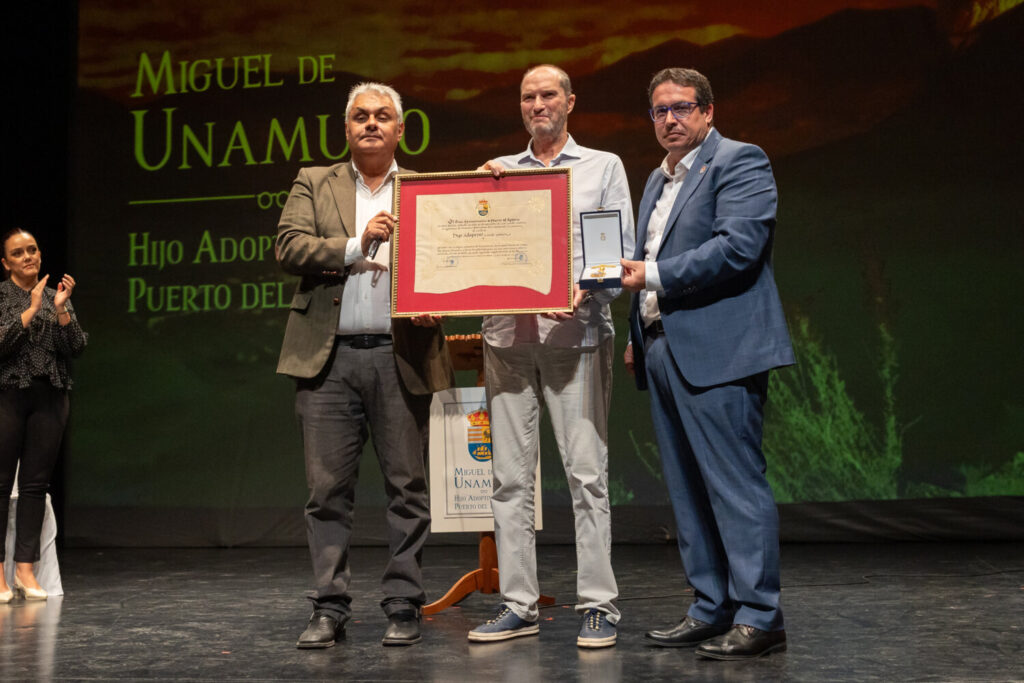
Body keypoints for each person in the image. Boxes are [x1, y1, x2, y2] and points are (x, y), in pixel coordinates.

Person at [620, 67, 795, 660]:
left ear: (708, 111)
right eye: (660, 110)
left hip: (722, 349)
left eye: (682, 107)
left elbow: (738, 247)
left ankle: (760, 616)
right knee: (687, 489)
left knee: (734, 486)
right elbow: (647, 255)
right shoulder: (657, 179)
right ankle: (710, 606)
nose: (670, 119)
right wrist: (638, 331)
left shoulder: (740, 161)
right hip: (663, 346)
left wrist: (653, 278)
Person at [276, 82, 454, 649]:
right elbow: (289, 247)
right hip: (328, 361)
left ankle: (404, 603)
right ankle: (329, 606)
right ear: (346, 129)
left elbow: (449, 262)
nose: (371, 124)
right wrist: (356, 244)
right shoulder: (314, 181)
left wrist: (438, 301)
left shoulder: (423, 189)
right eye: (360, 116)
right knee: (327, 492)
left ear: (401, 129)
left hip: (401, 356)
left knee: (408, 487)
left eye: (382, 116)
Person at [468, 65, 634, 649]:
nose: (537, 104)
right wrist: (473, 198)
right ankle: (519, 604)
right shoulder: (498, 172)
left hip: (576, 337)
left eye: (548, 95)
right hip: (507, 340)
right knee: (508, 480)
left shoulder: (602, 167)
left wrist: (584, 291)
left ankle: (599, 606)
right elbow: (471, 246)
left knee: (587, 476)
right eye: (527, 97)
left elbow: (614, 252)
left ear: (570, 102)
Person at [0, 228, 87, 602]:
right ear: (6, 263)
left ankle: (25, 570)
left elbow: (76, 346)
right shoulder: (3, 296)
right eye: (18, 253)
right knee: (1, 484)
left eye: (32, 249)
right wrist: (32, 309)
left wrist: (61, 308)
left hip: (50, 398)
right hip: (8, 396)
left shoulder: (56, 296)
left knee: (35, 485)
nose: (28, 257)